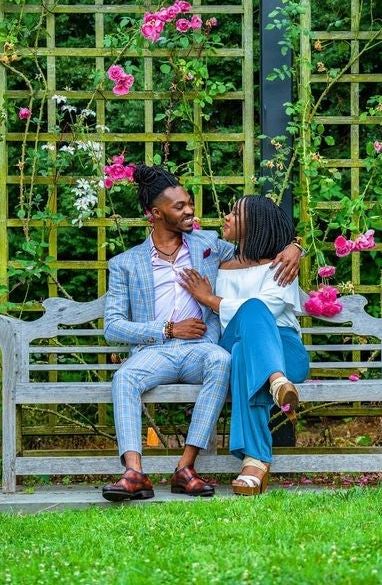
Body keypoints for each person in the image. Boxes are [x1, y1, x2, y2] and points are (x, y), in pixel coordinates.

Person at [102, 165, 303, 501]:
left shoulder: (208, 244)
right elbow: (112, 326)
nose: (190, 211)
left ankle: (186, 467)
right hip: (156, 351)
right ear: (155, 214)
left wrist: (297, 246)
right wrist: (166, 329)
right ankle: (134, 473)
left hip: (202, 348)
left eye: (189, 203)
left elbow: (262, 237)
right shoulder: (125, 263)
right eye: (179, 206)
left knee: (226, 360)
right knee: (124, 378)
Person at [180, 194, 310, 496]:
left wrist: (210, 300)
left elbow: (272, 307)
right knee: (246, 325)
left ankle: (255, 461)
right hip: (235, 337)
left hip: (284, 348)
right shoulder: (220, 261)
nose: (226, 217)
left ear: (254, 225)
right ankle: (276, 383)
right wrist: (297, 244)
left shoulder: (281, 264)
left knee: (243, 354)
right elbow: (183, 233)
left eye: (235, 214)